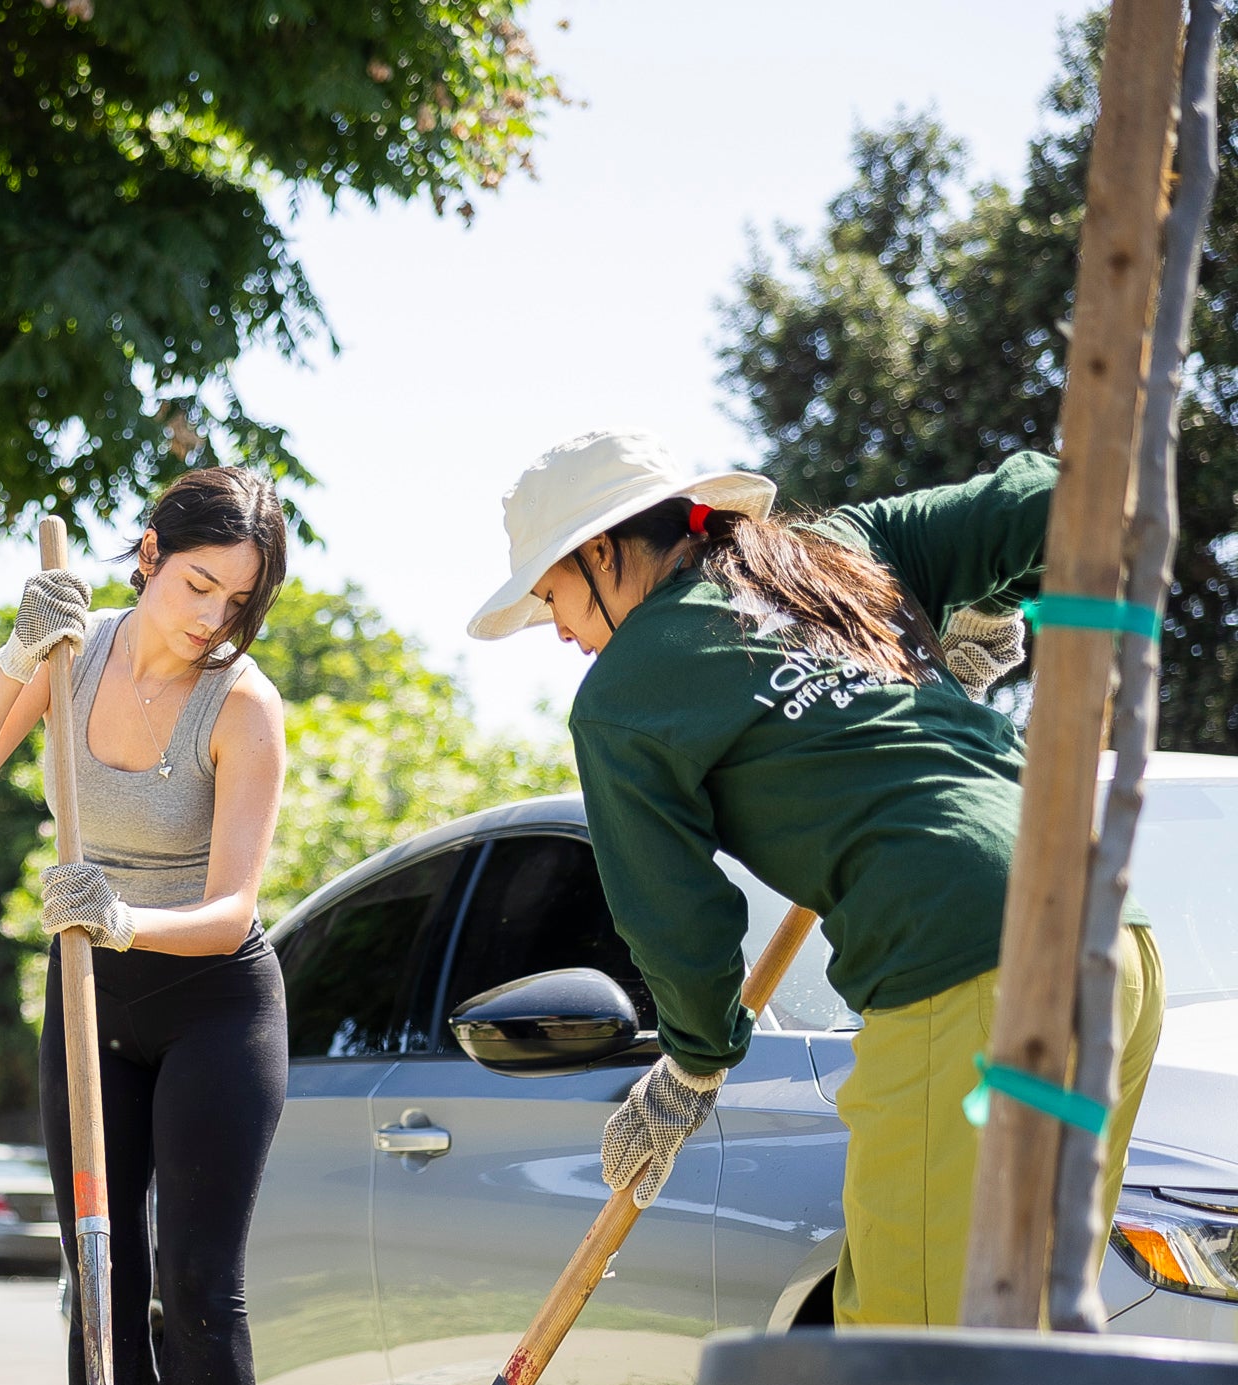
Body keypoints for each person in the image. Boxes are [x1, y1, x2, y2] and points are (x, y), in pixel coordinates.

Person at [466, 431, 1166, 1326]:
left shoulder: (625, 697)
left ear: (599, 550)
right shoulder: (836, 553)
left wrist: (692, 1063)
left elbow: (677, 923)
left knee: (914, 1368)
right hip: (1114, 946)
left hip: (971, 974)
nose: (559, 629)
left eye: (553, 594)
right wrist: (991, 602)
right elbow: (1060, 495)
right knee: (1029, 1326)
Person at [0, 466, 293, 1385]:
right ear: (145, 554)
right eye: (194, 584)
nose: (210, 616)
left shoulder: (242, 705)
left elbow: (233, 904)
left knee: (196, 1278)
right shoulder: (74, 657)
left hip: (214, 999)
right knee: (98, 1270)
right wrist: (17, 657)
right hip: (88, 995)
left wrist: (124, 915)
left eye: (236, 599)